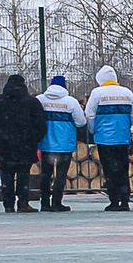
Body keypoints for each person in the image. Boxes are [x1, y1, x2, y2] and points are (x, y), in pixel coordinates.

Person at [85, 67, 133, 210]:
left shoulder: (97, 93)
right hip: (122, 137)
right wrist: (125, 126)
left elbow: (89, 115)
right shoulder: (127, 92)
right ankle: (125, 200)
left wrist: (94, 130)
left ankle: (114, 200)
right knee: (123, 169)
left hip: (104, 138)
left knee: (109, 170)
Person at [36, 76, 85, 212]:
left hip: (46, 143)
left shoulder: (40, 100)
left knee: (46, 173)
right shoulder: (71, 102)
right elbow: (81, 121)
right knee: (61, 174)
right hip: (65, 144)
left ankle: (44, 202)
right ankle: (57, 202)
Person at [0, 76, 41, 212]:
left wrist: (2, 128)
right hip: (26, 143)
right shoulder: (32, 102)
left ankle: (8, 204)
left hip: (5, 143)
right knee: (24, 173)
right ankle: (23, 203)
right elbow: (40, 123)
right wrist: (35, 138)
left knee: (7, 174)